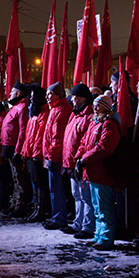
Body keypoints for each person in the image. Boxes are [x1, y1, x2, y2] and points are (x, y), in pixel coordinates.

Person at [76, 94, 121, 250]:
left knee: (104, 207)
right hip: (93, 171)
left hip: (103, 172)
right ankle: (98, 234)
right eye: (94, 105)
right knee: (97, 206)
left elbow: (104, 148)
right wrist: (79, 157)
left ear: (106, 107)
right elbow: (84, 142)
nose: (94, 108)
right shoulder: (94, 123)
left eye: (98, 105)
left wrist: (84, 159)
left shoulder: (109, 125)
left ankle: (106, 237)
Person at [62, 84, 96, 239]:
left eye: (76, 96)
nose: (73, 99)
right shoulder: (74, 114)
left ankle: (88, 226)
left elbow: (85, 141)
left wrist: (80, 159)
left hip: (81, 163)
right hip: (71, 162)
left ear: (83, 97)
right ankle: (78, 223)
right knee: (76, 194)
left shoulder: (88, 116)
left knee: (85, 196)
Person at [41, 82, 72, 230]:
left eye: (50, 94)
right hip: (52, 155)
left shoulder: (61, 110)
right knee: (54, 188)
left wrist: (51, 157)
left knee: (57, 188)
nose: (47, 96)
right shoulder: (55, 109)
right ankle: (57, 216)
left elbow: (57, 137)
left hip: (56, 157)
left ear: (58, 94)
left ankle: (59, 218)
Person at [0, 83, 31, 217]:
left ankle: (20, 205)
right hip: (9, 145)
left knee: (20, 177)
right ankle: (14, 203)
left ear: (18, 93)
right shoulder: (16, 107)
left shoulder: (22, 108)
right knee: (15, 177)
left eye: (12, 91)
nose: (9, 94)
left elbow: (22, 131)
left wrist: (18, 150)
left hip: (14, 147)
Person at [22, 85, 50, 223]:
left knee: (40, 183)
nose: (31, 99)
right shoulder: (34, 114)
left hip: (37, 155)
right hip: (31, 153)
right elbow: (29, 136)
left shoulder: (44, 113)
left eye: (34, 96)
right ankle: (37, 209)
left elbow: (40, 137)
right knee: (36, 183)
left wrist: (35, 154)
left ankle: (41, 210)